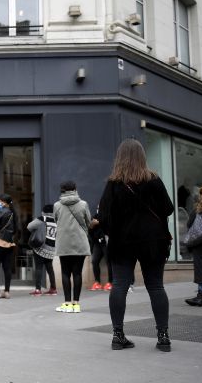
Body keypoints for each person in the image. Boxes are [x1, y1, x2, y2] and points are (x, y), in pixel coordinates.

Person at [96, 138, 174, 352]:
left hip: (123, 242)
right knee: (156, 286)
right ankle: (163, 336)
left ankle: (118, 336)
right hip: (153, 241)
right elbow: (168, 208)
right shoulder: (154, 180)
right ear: (142, 156)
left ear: (119, 158)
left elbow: (103, 216)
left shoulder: (114, 184)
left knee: (120, 285)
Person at [53, 181, 92, 314]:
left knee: (65, 272)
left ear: (62, 190)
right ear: (75, 189)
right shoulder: (83, 204)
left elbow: (56, 220)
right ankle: (76, 304)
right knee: (77, 273)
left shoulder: (57, 205)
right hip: (80, 242)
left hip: (63, 242)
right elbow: (88, 221)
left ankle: (67, 303)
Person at [27, 204, 57, 296]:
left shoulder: (42, 218)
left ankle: (37, 290)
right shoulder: (57, 220)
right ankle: (53, 289)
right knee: (50, 268)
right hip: (52, 247)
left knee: (39, 267)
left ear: (44, 211)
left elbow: (29, 226)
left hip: (41, 247)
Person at [89, 205, 113, 291]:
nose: (99, 210)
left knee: (109, 262)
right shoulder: (95, 217)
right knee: (94, 261)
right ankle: (97, 282)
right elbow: (90, 229)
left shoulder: (109, 216)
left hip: (106, 242)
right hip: (97, 242)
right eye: (98, 208)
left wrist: (100, 222)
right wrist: (91, 225)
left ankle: (111, 282)